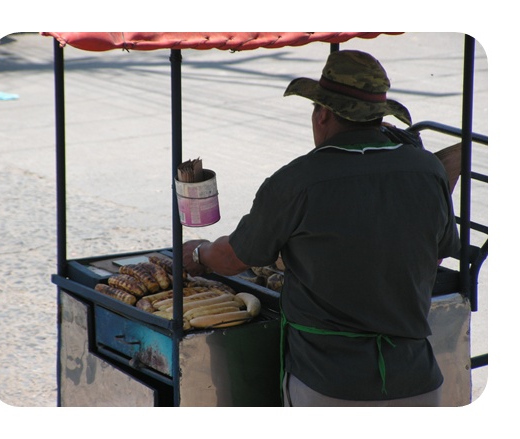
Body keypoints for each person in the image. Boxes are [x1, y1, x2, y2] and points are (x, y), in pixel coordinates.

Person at [182, 50, 460, 407]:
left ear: (323, 114)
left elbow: (234, 258)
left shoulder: (298, 180)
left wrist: (199, 253)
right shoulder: (429, 170)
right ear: (380, 118)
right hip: (417, 381)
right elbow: (438, 250)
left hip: (329, 388)